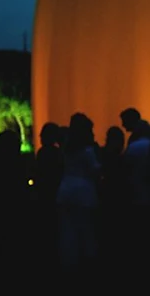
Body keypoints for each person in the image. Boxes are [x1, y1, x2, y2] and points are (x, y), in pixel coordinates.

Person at [56, 113, 101, 269]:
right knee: (86, 229)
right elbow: (95, 170)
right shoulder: (87, 150)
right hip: (84, 193)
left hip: (65, 190)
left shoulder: (68, 148)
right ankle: (87, 263)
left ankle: (69, 262)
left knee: (68, 230)